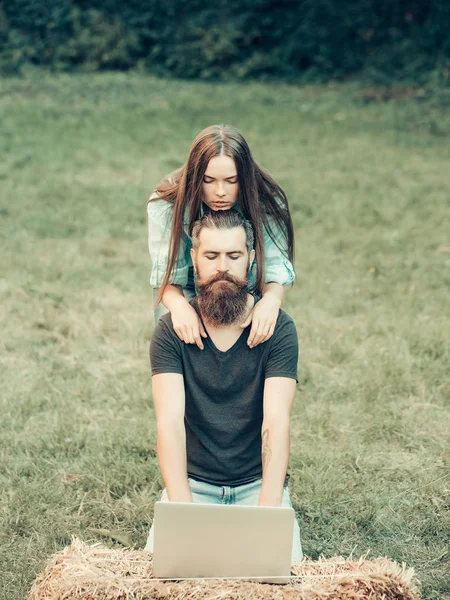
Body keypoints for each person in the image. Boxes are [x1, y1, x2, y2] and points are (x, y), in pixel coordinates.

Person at [144, 209, 302, 564]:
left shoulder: (279, 329)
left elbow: (276, 424)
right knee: (168, 577)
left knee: (276, 575)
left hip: (256, 486)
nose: (223, 268)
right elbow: (168, 424)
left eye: (234, 256)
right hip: (194, 485)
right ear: (194, 259)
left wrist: (267, 512)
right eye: (211, 256)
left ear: (251, 259)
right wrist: (183, 512)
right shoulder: (171, 331)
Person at [147, 124, 295, 350]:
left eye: (231, 180)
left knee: (259, 334)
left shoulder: (267, 201)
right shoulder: (167, 204)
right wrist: (178, 307)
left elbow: (274, 268)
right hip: (184, 285)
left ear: (244, 177)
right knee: (178, 335)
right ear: (196, 176)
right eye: (208, 180)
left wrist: (271, 301)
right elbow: (167, 275)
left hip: (243, 281)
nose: (220, 192)